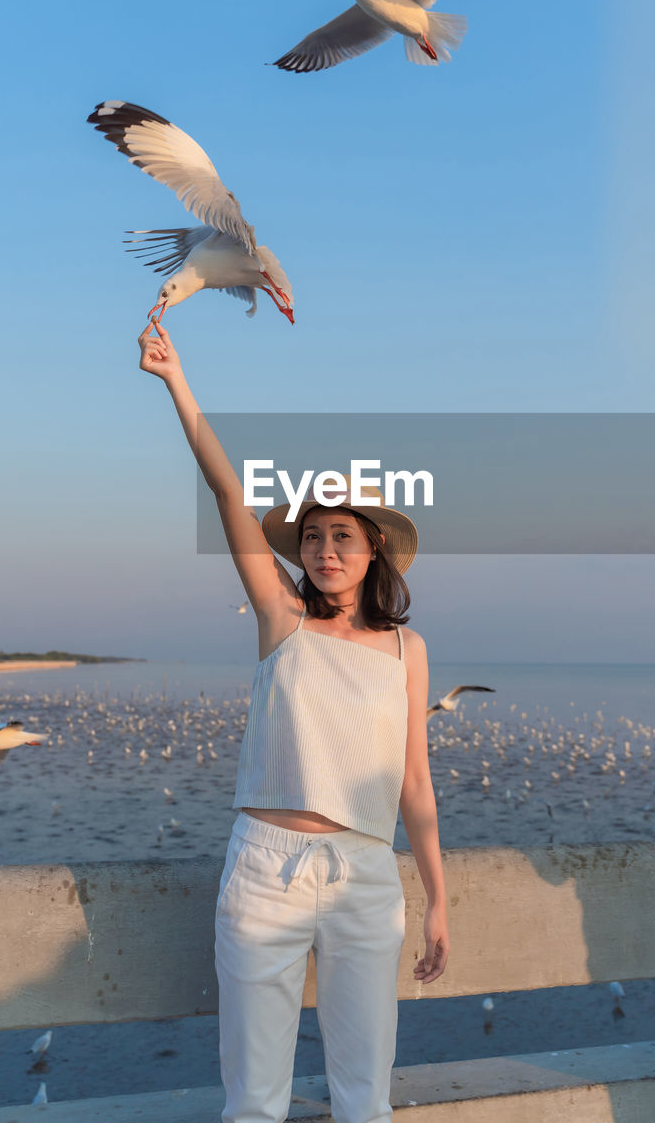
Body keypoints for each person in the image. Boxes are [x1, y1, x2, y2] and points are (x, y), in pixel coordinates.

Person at [138, 321, 449, 1123]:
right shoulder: (281, 619)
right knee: (253, 1104)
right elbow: (226, 494)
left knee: (362, 1098)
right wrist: (177, 381)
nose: (323, 551)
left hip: (365, 875)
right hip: (263, 875)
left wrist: (439, 899)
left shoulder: (406, 650)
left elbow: (415, 783)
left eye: (340, 537)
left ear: (373, 548)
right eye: (312, 537)